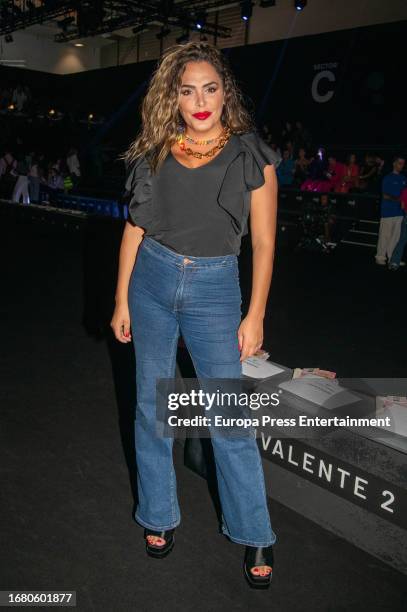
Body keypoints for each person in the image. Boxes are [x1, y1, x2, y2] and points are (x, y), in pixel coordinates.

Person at [110, 41, 280, 589]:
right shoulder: (155, 150)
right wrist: (119, 300)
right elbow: (135, 228)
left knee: (229, 418)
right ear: (173, 98)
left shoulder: (249, 152)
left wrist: (254, 314)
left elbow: (265, 242)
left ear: (225, 92)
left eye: (210, 88)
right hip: (151, 282)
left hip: (214, 289)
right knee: (150, 408)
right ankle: (158, 515)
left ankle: (254, 530)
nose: (200, 100)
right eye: (187, 91)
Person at [375, 156, 407, 266]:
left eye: (403, 164)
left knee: (396, 237)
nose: (401, 166)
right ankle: (380, 257)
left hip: (400, 213)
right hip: (387, 212)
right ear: (394, 164)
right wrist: (398, 199)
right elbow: (385, 195)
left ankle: (393, 258)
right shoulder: (387, 178)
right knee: (385, 235)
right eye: (399, 163)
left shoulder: (404, 178)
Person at [388, 186, 407, 270]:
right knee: (402, 240)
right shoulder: (405, 191)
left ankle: (394, 262)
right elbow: (403, 206)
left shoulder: (405, 190)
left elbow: (403, 206)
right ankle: (394, 262)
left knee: (402, 240)